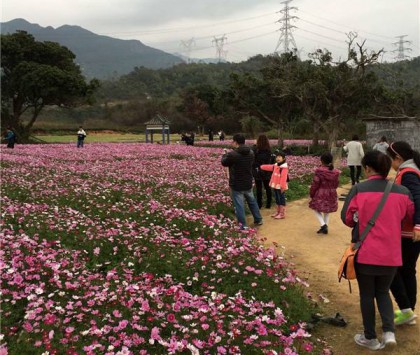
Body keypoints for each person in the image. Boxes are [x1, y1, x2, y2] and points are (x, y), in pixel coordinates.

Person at [341, 151, 414, 350]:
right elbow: (409, 216)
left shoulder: (358, 189)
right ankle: (389, 333)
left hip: (366, 253)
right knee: (383, 292)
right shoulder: (403, 192)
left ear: (367, 168)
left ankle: (370, 337)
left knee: (367, 295)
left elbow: (347, 218)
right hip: (391, 254)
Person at [386, 141, 420, 326]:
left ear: (398, 158)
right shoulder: (410, 171)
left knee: (393, 270)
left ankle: (406, 308)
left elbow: (417, 198)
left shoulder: (408, 173)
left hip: (408, 232)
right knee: (407, 270)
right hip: (409, 231)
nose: (390, 163)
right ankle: (409, 312)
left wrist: (418, 225)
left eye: (391, 159)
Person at [221, 133, 263, 229]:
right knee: (252, 201)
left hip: (237, 184)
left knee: (239, 205)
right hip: (248, 181)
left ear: (235, 142)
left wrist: (224, 155)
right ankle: (258, 219)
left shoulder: (233, 154)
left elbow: (224, 163)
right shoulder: (251, 152)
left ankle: (243, 226)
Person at [309, 152, 340, 235]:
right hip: (331, 192)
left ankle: (323, 225)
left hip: (321, 193)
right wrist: (332, 190)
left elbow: (315, 184)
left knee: (315, 208)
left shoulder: (319, 171)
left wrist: (312, 193)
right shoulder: (335, 172)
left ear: (321, 161)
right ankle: (325, 228)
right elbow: (336, 184)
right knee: (327, 211)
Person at [260, 150, 289, 219]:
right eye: (277, 157)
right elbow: (269, 167)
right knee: (277, 198)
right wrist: (261, 166)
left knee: (281, 199)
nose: (278, 158)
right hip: (275, 185)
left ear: (284, 158)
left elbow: (283, 178)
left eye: (279, 157)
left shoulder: (284, 168)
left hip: (280, 186)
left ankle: (282, 213)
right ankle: (278, 211)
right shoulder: (276, 165)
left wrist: (282, 187)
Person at [252, 134, 273, 209]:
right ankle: (268, 204)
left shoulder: (256, 149)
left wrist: (254, 145)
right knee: (267, 188)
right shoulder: (269, 150)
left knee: (259, 188)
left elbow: (253, 159)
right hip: (267, 170)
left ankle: (259, 204)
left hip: (258, 171)